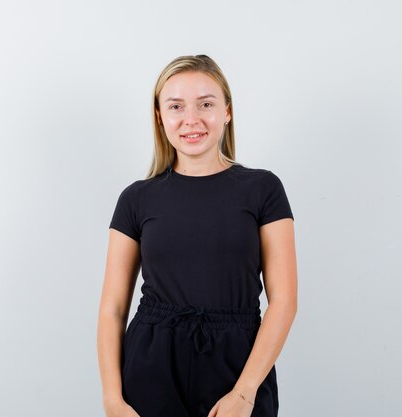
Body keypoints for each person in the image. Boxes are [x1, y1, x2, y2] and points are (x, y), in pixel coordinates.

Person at [97, 54, 298, 417]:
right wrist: (113, 398)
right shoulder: (136, 199)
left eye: (206, 104)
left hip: (238, 366)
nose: (192, 119)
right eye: (176, 106)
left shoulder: (263, 189)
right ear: (160, 116)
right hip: (152, 364)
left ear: (227, 111)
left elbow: (283, 301)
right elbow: (112, 308)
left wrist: (244, 392)